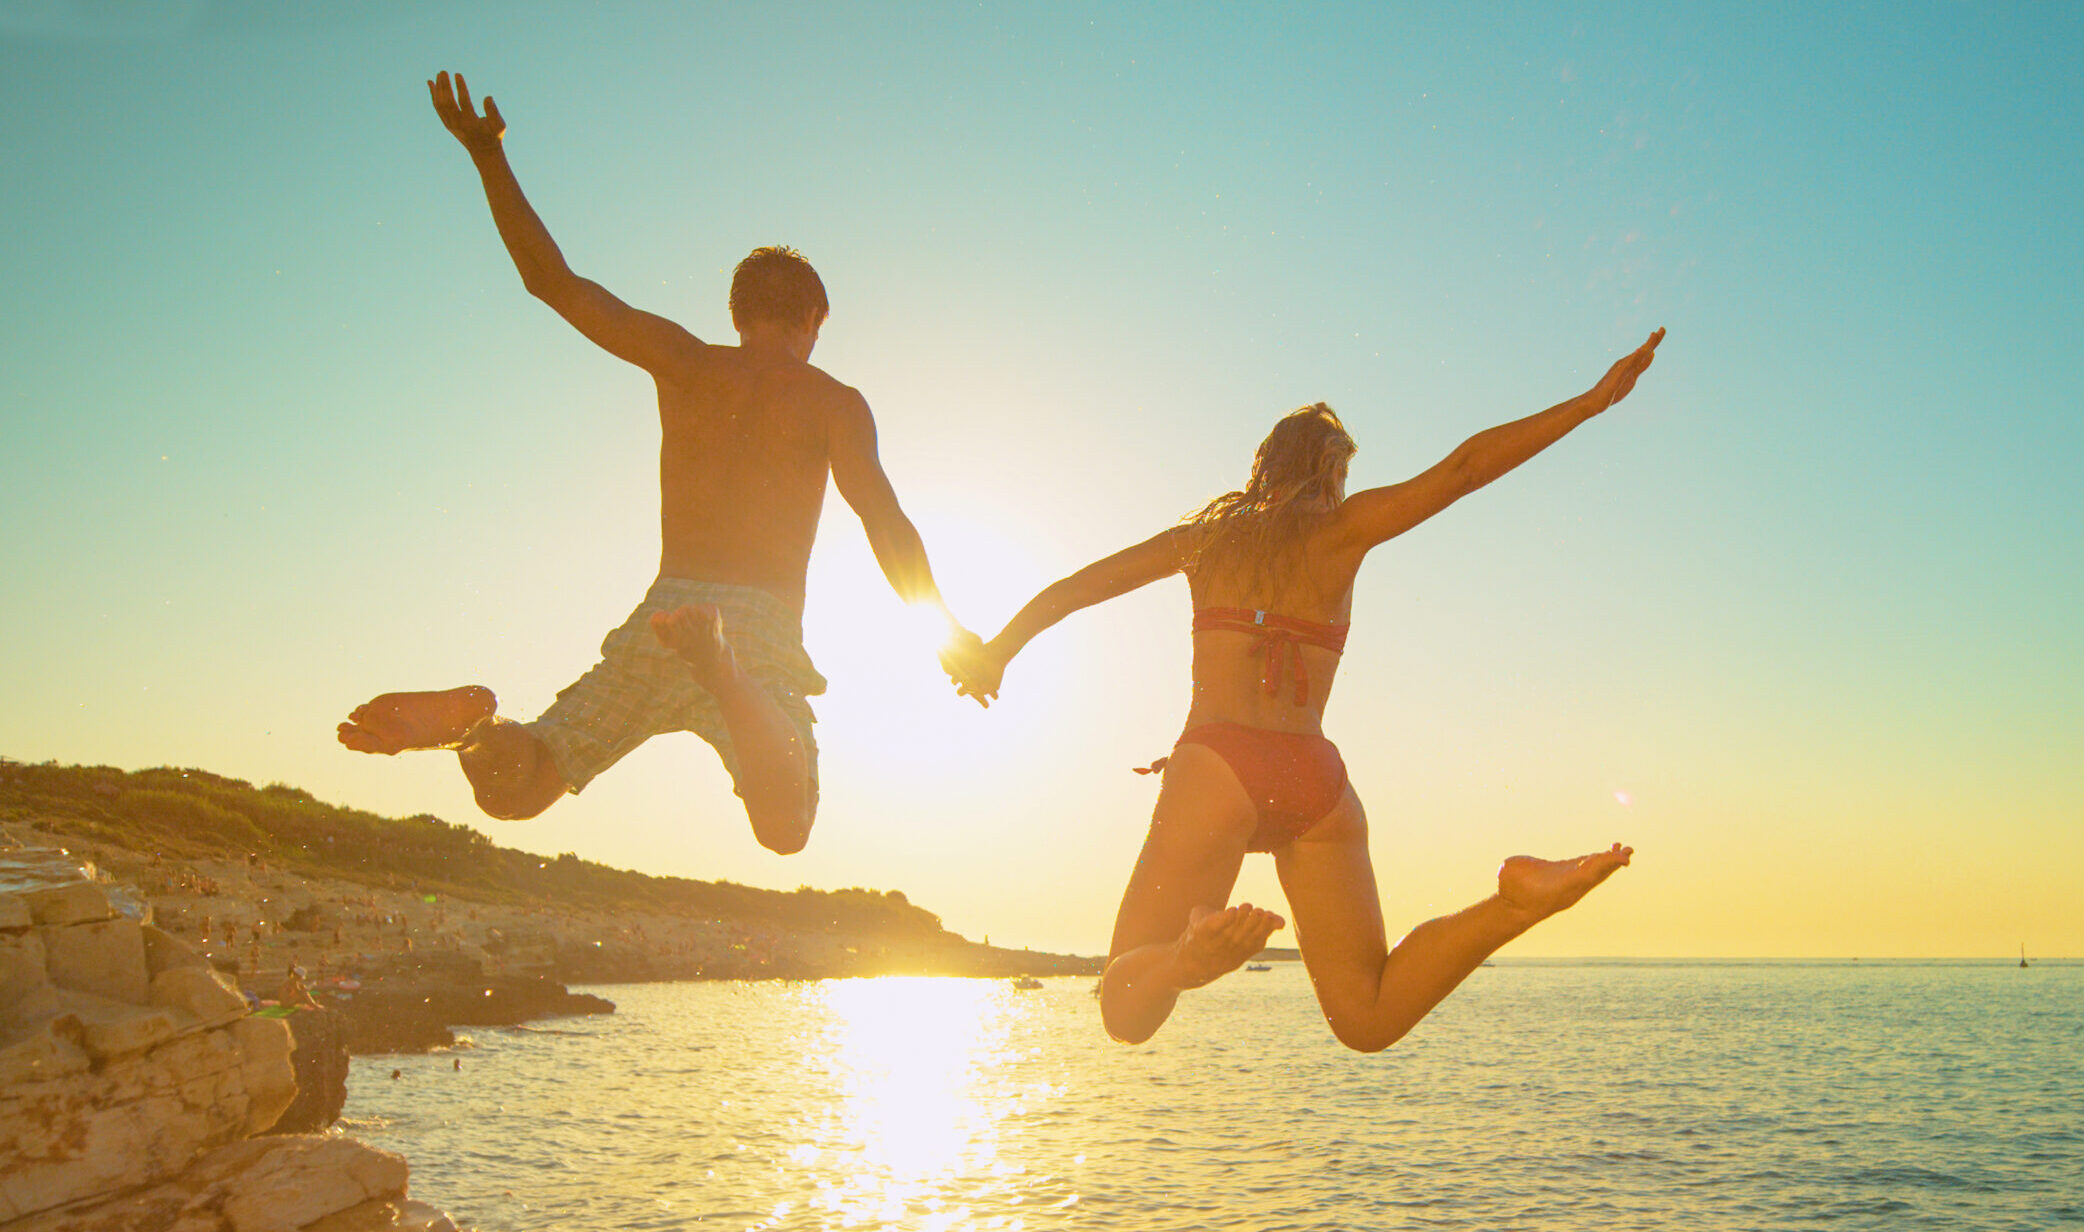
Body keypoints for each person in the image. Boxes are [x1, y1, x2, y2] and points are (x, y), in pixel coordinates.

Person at [950, 331, 1663, 1050]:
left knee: (1126, 1012)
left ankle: (1184, 958)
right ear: (1327, 471)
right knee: (1367, 1017)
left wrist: (999, 652)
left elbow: (1080, 587)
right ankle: (1511, 907)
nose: (1343, 494)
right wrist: (1591, 402)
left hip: (1218, 769)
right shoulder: (1345, 533)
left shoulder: (1205, 541)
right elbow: (1465, 470)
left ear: (1264, 468)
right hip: (1317, 781)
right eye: (1342, 477)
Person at [338, 72, 973, 854]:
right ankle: (726, 673)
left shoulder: (685, 363)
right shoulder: (832, 400)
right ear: (812, 318)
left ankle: (473, 727)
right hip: (752, 626)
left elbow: (552, 283)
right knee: (786, 824)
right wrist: (946, 632)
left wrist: (487, 156)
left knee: (521, 787)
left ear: (737, 314)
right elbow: (884, 521)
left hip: (665, 610)